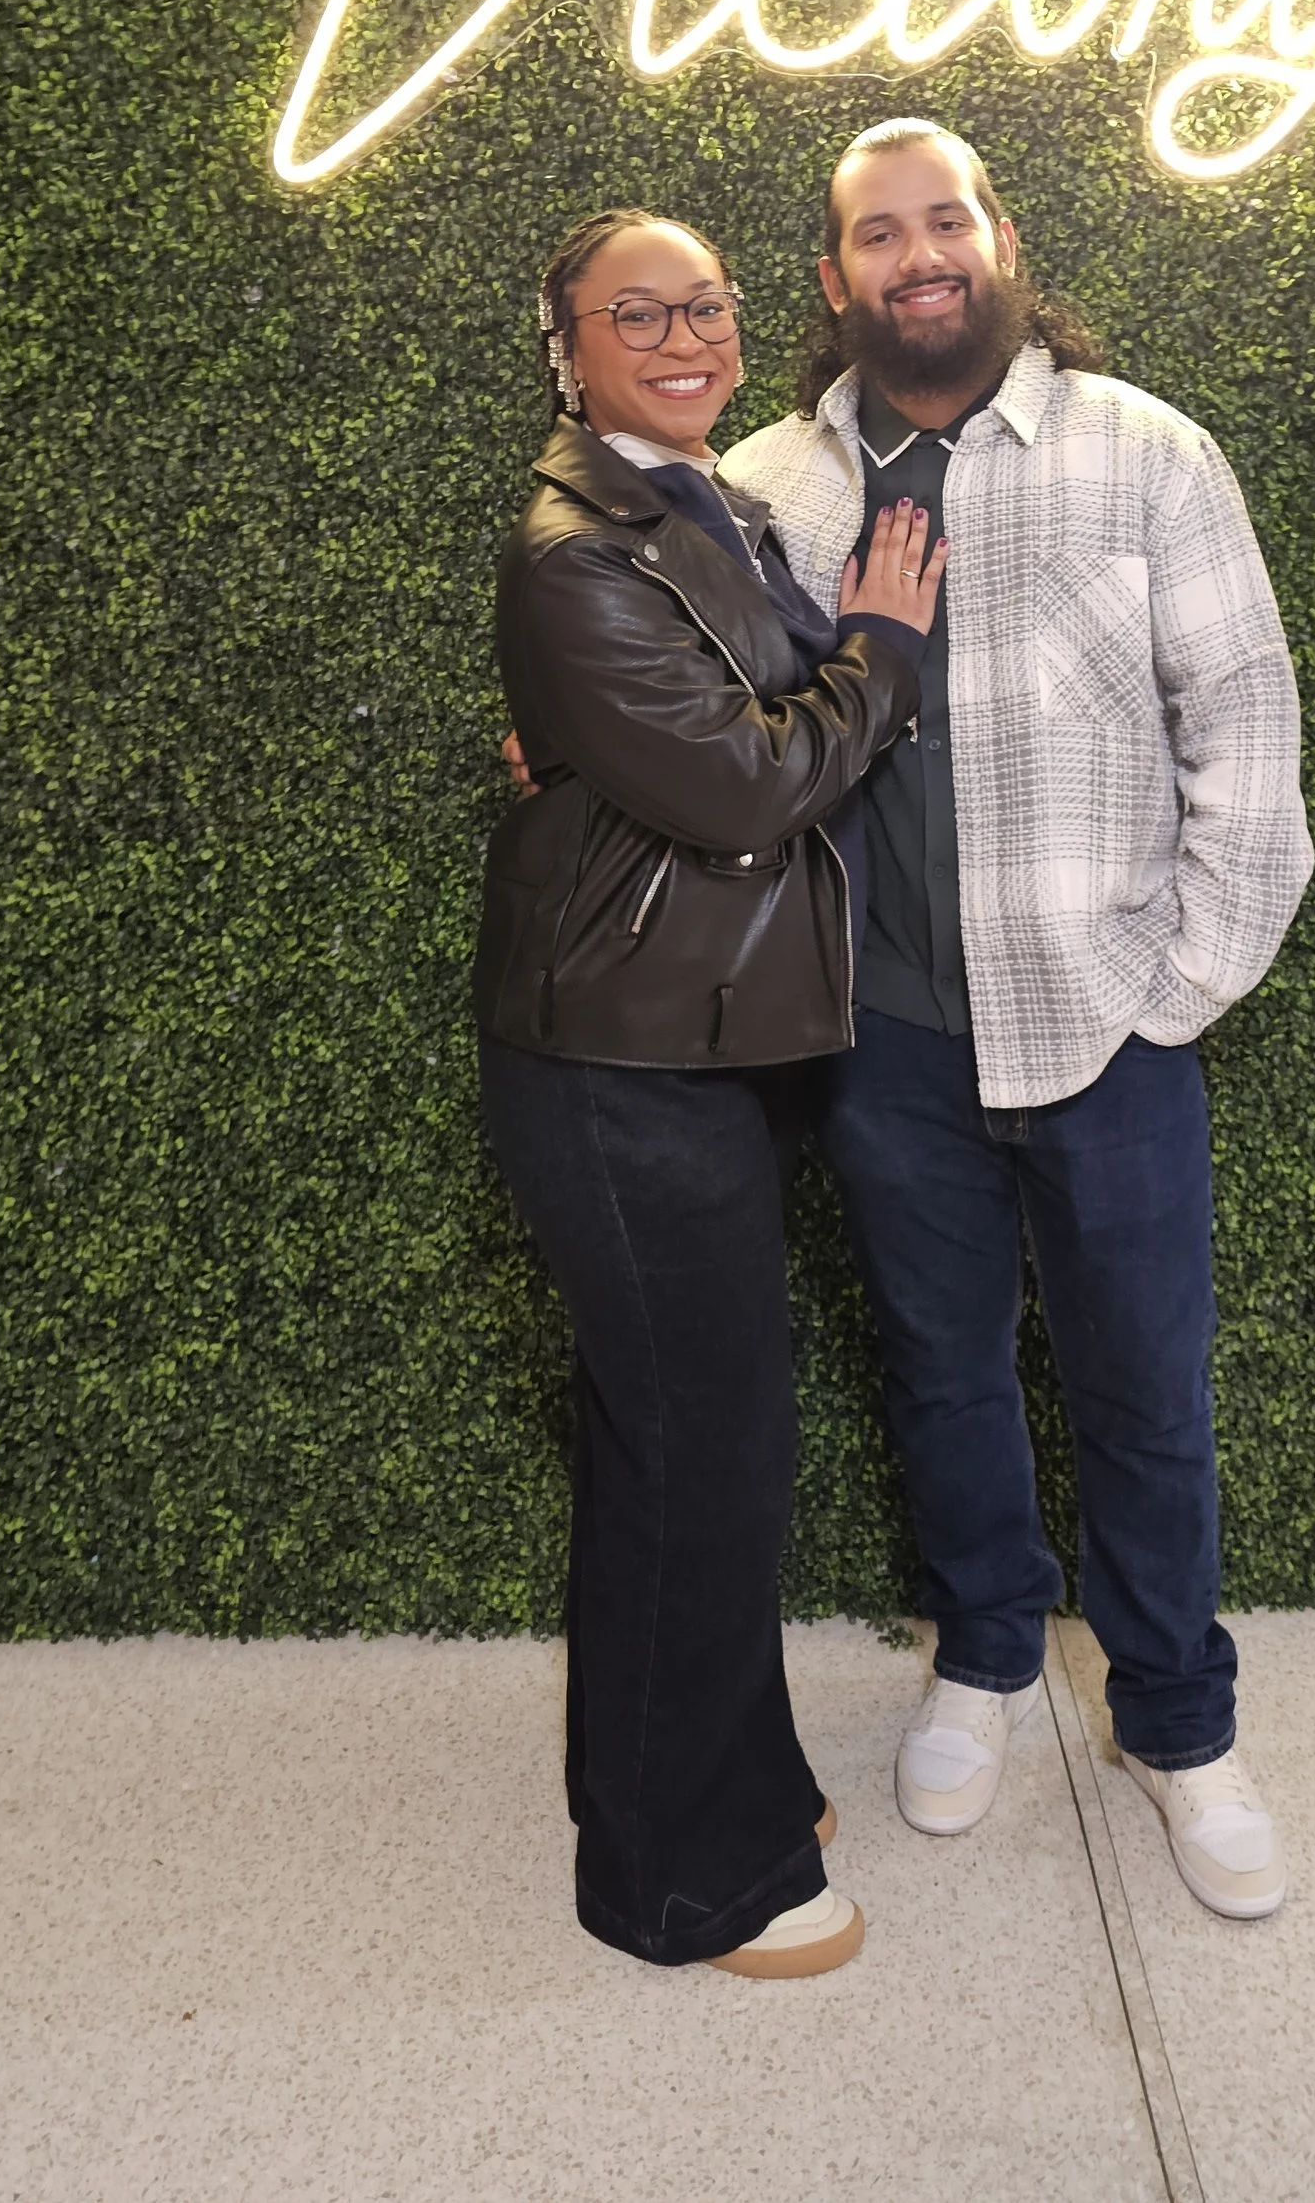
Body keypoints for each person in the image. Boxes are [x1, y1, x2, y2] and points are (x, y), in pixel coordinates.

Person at [719, 120, 1312, 1921]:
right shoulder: (767, 491)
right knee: (943, 1369)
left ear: (997, 241)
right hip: (881, 1042)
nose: (919, 255)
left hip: (1105, 1028)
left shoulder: (1147, 456)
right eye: (877, 234)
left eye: (945, 220)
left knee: (1145, 1394)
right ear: (834, 281)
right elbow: (718, 739)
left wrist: (1176, 990)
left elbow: (1248, 733)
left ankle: (1178, 1723)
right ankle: (983, 1651)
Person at [474, 205, 944, 1976]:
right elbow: (750, 790)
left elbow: (694, 739)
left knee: (686, 1449)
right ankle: (684, 1879)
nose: (685, 336)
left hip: (700, 1045)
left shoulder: (708, 505)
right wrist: (882, 654)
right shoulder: (572, 548)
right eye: (636, 312)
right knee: (698, 1460)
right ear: (569, 344)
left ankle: (710, 1777)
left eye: (710, 306)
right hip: (616, 1070)